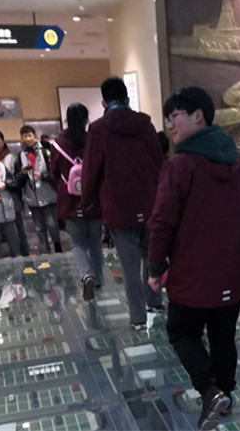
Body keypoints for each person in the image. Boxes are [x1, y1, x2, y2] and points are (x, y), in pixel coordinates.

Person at [147, 86, 240, 431]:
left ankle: (210, 391)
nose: (170, 125)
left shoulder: (180, 165)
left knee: (180, 331)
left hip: (192, 276)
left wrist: (155, 267)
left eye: (175, 116)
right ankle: (225, 397)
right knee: (223, 336)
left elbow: (163, 221)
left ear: (198, 116)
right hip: (231, 275)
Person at [82, 77, 164, 323]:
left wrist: (87, 201)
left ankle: (138, 318)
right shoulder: (145, 125)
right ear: (127, 97)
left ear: (103, 102)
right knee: (152, 258)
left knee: (130, 267)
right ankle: (155, 303)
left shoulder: (98, 129)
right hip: (149, 203)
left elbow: (92, 170)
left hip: (118, 207)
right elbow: (158, 163)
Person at [52, 103, 103, 301]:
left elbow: (54, 173)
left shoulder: (58, 144)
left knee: (78, 243)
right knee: (95, 243)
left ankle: (87, 275)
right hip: (93, 200)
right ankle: (98, 280)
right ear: (86, 119)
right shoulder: (93, 140)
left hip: (70, 202)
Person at [14, 125, 62, 253]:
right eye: (25, 136)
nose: (27, 139)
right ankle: (45, 251)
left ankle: (58, 247)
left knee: (52, 225)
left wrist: (44, 176)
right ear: (21, 138)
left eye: (29, 135)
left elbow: (56, 173)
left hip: (48, 195)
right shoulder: (20, 156)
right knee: (39, 228)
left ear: (34, 136)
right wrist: (23, 173)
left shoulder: (46, 151)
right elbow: (17, 180)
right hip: (32, 198)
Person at [0, 129, 30, 256]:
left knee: (18, 230)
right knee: (2, 234)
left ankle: (24, 256)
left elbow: (18, 180)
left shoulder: (11, 158)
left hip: (13, 199)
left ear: (3, 142)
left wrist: (7, 185)